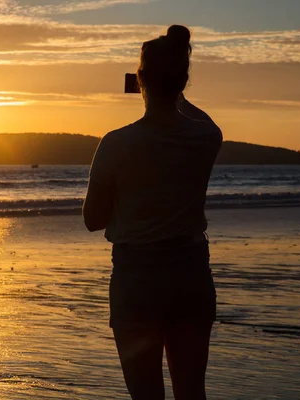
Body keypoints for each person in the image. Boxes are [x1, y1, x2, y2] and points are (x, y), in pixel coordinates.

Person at [83, 25, 222, 400]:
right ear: (184, 81)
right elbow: (199, 117)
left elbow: (93, 220)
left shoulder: (116, 143)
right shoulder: (207, 136)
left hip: (137, 280)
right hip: (191, 273)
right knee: (192, 392)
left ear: (139, 79)